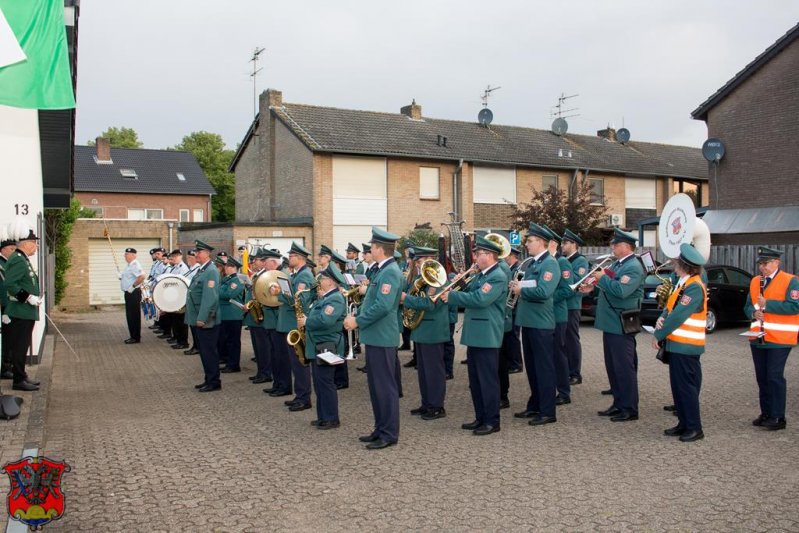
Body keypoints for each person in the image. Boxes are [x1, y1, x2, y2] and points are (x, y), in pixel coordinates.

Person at [441, 235, 508, 436]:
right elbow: (469, 289)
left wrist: (451, 296)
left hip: (487, 334)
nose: (476, 258)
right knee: (476, 380)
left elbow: (479, 299)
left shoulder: (497, 276)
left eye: (478, 254)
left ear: (489, 255)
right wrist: (459, 279)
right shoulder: (481, 274)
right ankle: (480, 417)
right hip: (476, 333)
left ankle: (492, 421)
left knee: (487, 380)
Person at [344, 227, 404, 450]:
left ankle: (389, 433)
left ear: (380, 249)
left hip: (382, 336)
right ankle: (380, 428)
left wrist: (358, 320)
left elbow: (382, 306)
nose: (369, 250)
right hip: (376, 336)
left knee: (385, 386)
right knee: (376, 386)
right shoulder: (381, 270)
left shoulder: (390, 272)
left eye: (372, 247)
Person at [584, 228, 645, 422]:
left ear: (627, 247)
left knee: (623, 367)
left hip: (620, 323)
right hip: (611, 323)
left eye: (615, 244)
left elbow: (620, 291)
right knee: (613, 367)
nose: (612, 247)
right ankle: (618, 403)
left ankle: (629, 408)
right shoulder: (619, 265)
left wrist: (603, 278)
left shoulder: (633, 267)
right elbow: (609, 286)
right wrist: (593, 286)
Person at [652, 243, 708, 442]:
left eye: (677, 262)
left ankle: (694, 427)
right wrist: (661, 318)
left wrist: (659, 333)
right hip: (678, 344)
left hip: (686, 345)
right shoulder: (683, 283)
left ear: (684, 265)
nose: (674, 264)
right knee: (678, 387)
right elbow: (671, 308)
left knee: (686, 388)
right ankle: (683, 424)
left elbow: (679, 316)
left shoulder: (694, 286)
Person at [743, 246, 799, 431]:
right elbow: (746, 306)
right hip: (757, 337)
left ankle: (778, 417)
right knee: (762, 377)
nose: (762, 267)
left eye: (766, 263)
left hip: (780, 338)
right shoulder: (755, 281)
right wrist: (753, 313)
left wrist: (768, 305)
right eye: (760, 264)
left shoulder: (791, 281)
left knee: (774, 376)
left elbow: (794, 306)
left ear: (777, 263)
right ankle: (766, 413)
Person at [511, 223, 559, 426]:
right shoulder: (533, 263)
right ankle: (535, 405)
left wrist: (521, 290)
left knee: (544, 368)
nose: (527, 244)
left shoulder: (550, 264)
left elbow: (544, 292)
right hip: (530, 322)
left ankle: (547, 411)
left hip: (541, 324)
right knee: (532, 367)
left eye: (530, 241)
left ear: (541, 242)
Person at [401, 246, 449, 420]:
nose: (419, 264)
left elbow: (430, 304)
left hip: (433, 331)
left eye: (421, 261)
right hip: (421, 329)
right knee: (423, 370)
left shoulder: (437, 278)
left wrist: (407, 299)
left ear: (430, 259)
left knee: (434, 370)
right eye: (418, 261)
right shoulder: (422, 277)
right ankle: (426, 403)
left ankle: (437, 406)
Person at [301, 264, 348, 430]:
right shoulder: (326, 297)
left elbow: (325, 321)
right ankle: (323, 416)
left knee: (326, 382)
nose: (320, 280)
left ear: (330, 281)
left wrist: (307, 321)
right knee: (320, 383)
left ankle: (331, 418)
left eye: (323, 278)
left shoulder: (335, 299)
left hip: (328, 346)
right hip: (319, 345)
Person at [272, 242, 316, 410]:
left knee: (300, 363)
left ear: (300, 258)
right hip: (290, 323)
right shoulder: (296, 274)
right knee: (295, 363)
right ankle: (300, 395)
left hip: (296, 324)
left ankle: (304, 398)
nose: (288, 258)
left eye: (291, 256)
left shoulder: (304, 276)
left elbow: (299, 302)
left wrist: (280, 293)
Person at [3, 229, 43, 391]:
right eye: (34, 243)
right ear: (26, 244)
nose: (36, 246)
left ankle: (22, 375)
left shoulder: (22, 259)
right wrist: (28, 297)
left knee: (22, 345)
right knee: (20, 347)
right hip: (21, 310)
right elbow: (10, 285)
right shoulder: (18, 260)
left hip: (25, 311)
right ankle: (18, 380)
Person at [541, 224, 573, 406]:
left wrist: (549, 299)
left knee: (559, 355)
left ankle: (563, 391)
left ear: (553, 243)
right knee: (549, 355)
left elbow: (569, 289)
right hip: (546, 317)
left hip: (557, 315)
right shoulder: (546, 262)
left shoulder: (561, 262)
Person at [185, 240, 221, 392]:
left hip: (207, 320)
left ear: (207, 253)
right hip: (199, 317)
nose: (196, 254)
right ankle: (208, 379)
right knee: (205, 352)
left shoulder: (211, 271)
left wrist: (202, 317)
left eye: (199, 252)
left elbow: (209, 297)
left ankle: (214, 382)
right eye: (196, 252)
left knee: (209, 352)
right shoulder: (202, 270)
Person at [562, 229, 589, 385]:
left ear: (574, 244)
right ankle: (565, 370)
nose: (562, 246)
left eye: (565, 243)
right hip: (563, 305)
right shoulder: (565, 260)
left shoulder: (580, 261)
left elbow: (578, 282)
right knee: (563, 340)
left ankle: (575, 373)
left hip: (572, 305)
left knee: (571, 339)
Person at [218, 258, 245, 373]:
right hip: (226, 315)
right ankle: (229, 362)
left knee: (233, 342)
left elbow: (229, 294)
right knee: (227, 340)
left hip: (233, 315)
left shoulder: (236, 281)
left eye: (228, 266)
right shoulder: (227, 280)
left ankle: (234, 365)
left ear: (234, 268)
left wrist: (217, 290)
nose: (226, 268)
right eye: (226, 266)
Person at [120, 248, 145, 345]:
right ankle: (133, 336)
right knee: (130, 315)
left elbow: (142, 276)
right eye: (125, 254)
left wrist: (133, 286)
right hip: (129, 293)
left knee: (133, 315)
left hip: (133, 293)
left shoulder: (135, 264)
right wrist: (121, 277)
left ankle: (135, 337)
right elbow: (130, 277)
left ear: (133, 255)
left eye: (127, 254)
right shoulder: (129, 265)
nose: (124, 256)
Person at [1, 237, 17, 379]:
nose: (13, 251)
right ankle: (4, 367)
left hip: (9, 306)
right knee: (6, 339)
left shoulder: (7, 263)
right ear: (3, 249)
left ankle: (8, 365)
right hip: (4, 307)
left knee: (11, 338)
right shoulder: (2, 264)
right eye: (11, 249)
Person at [183, 250, 201, 355]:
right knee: (192, 326)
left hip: (195, 301)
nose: (188, 259)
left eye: (190, 258)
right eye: (188, 257)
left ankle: (197, 346)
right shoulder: (191, 269)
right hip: (190, 300)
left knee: (195, 326)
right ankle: (196, 345)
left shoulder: (198, 269)